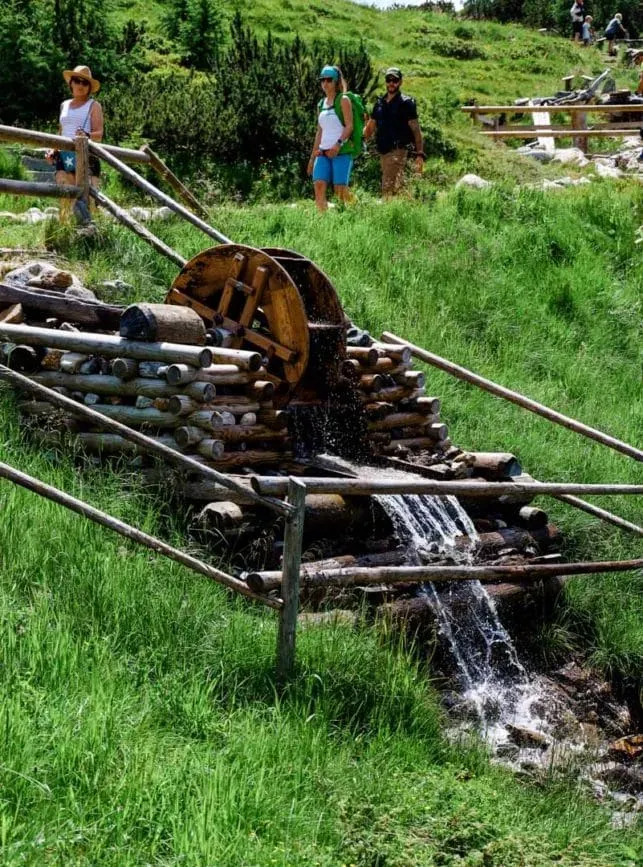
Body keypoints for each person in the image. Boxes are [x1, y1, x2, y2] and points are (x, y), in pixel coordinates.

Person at [46, 65, 104, 220]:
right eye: (77, 81)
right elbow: (61, 131)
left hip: (86, 156)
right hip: (64, 157)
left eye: (85, 83)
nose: (80, 85)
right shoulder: (64, 105)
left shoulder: (94, 105)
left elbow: (99, 134)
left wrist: (87, 135)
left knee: (88, 199)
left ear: (89, 87)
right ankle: (63, 234)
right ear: (71, 82)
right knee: (65, 195)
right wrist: (54, 149)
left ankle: (91, 236)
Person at [364, 67, 424, 198]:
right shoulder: (379, 103)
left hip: (398, 150)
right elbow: (370, 127)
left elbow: (416, 129)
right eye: (388, 80)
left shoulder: (406, 103)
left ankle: (387, 215)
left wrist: (420, 154)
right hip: (383, 152)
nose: (391, 83)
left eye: (395, 80)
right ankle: (409, 212)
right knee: (398, 188)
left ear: (400, 82)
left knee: (387, 187)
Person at [307, 66, 354, 212]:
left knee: (340, 191)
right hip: (322, 153)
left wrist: (338, 144)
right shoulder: (321, 104)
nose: (325, 83)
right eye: (322, 80)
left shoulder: (343, 100)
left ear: (336, 81)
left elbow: (349, 126)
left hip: (341, 152)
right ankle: (322, 221)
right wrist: (312, 158)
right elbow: (320, 131)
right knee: (319, 185)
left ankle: (351, 213)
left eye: (329, 80)